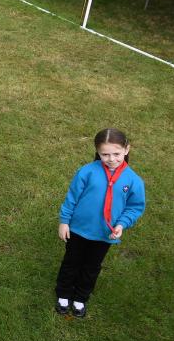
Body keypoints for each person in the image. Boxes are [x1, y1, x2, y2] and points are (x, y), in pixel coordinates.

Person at [55, 128, 146, 318]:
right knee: (71, 262)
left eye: (116, 154)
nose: (111, 159)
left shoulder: (134, 181)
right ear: (97, 151)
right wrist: (64, 221)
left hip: (105, 234)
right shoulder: (87, 172)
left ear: (127, 150)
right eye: (105, 154)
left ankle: (80, 297)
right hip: (78, 229)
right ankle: (63, 293)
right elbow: (71, 197)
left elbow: (134, 207)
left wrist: (121, 224)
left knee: (91, 266)